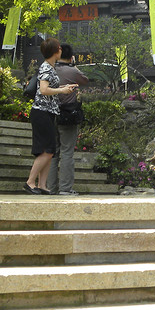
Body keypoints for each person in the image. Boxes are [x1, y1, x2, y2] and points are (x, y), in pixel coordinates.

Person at [24, 38, 79, 195]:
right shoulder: (47, 67)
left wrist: (64, 87)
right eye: (59, 47)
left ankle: (42, 184)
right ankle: (30, 182)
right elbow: (44, 90)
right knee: (47, 150)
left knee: (49, 150)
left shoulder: (50, 67)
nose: (61, 49)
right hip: (42, 112)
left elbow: (50, 87)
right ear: (56, 51)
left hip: (48, 112)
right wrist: (62, 91)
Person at [47, 43, 89, 196]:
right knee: (67, 152)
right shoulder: (72, 71)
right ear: (71, 56)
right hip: (68, 115)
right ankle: (65, 189)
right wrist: (74, 65)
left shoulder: (49, 70)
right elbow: (85, 80)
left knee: (53, 153)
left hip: (50, 115)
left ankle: (50, 188)